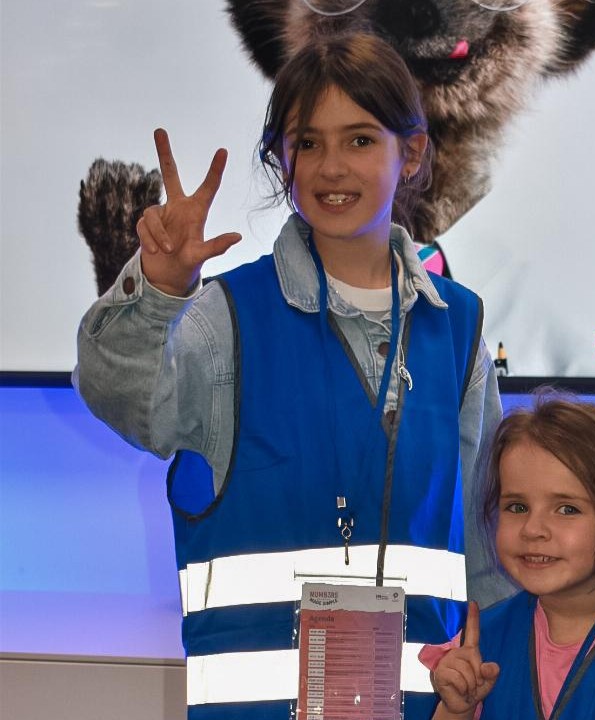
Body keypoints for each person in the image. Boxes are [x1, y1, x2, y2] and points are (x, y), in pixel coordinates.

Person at [73, 33, 513, 720]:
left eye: (361, 139)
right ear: (282, 160)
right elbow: (125, 400)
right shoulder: (226, 317)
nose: (332, 167)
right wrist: (156, 290)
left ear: (414, 153)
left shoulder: (459, 329)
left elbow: (493, 552)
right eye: (308, 143)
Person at [419, 393, 595, 719]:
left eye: (567, 509)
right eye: (517, 507)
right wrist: (457, 709)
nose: (533, 529)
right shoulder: (477, 643)